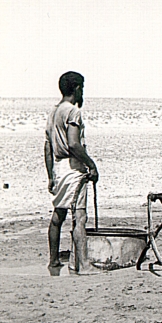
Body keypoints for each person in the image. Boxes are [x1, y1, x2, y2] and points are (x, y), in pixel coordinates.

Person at [44, 71, 99, 275]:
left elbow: (48, 147)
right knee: (80, 216)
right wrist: (91, 165)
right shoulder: (73, 112)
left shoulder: (53, 112)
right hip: (73, 168)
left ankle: (54, 260)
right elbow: (74, 144)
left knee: (58, 215)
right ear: (76, 89)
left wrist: (51, 175)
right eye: (81, 88)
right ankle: (83, 265)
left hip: (59, 168)